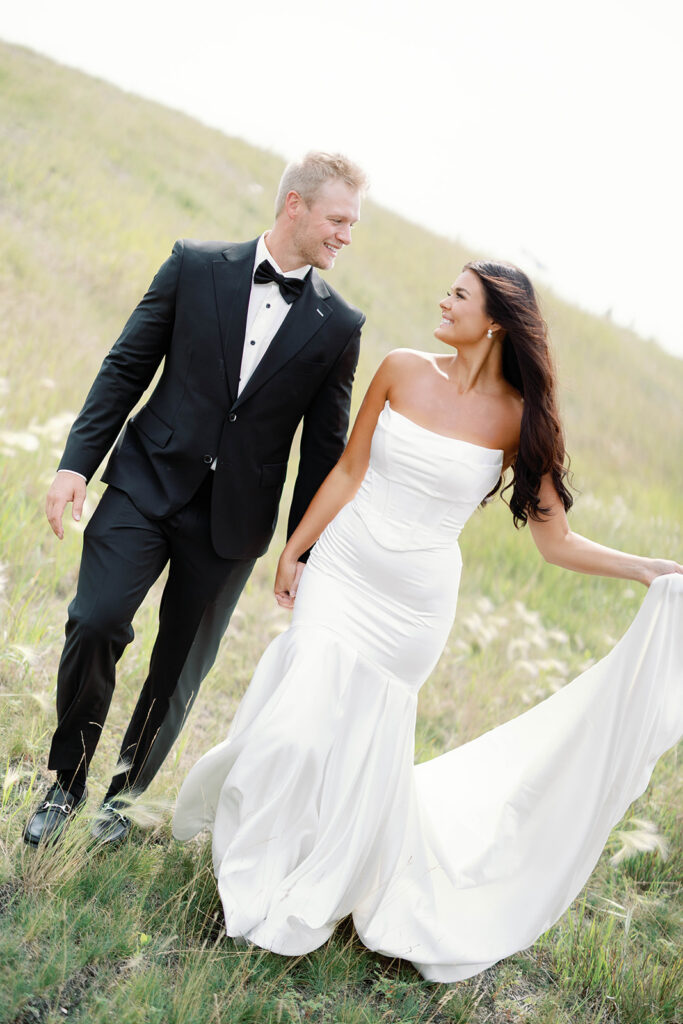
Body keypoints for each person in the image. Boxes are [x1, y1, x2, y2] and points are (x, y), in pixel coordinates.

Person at [172, 260, 682, 982]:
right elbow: (349, 471)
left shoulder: (519, 420)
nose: (442, 301)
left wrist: (650, 570)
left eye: (459, 295)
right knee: (296, 726)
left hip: (412, 606)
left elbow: (554, 540)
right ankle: (252, 868)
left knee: (356, 744)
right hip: (344, 570)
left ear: (495, 321)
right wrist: (296, 549)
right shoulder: (400, 368)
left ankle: (325, 872)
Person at [23, 151, 368, 848]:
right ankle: (64, 785)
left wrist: (305, 553)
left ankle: (123, 798)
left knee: (177, 671)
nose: (346, 236)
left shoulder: (339, 325)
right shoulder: (192, 263)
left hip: (233, 522)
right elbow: (126, 365)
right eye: (337, 219)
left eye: (352, 224)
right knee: (95, 621)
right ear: (294, 205)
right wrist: (74, 466)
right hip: (144, 483)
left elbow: (323, 452)